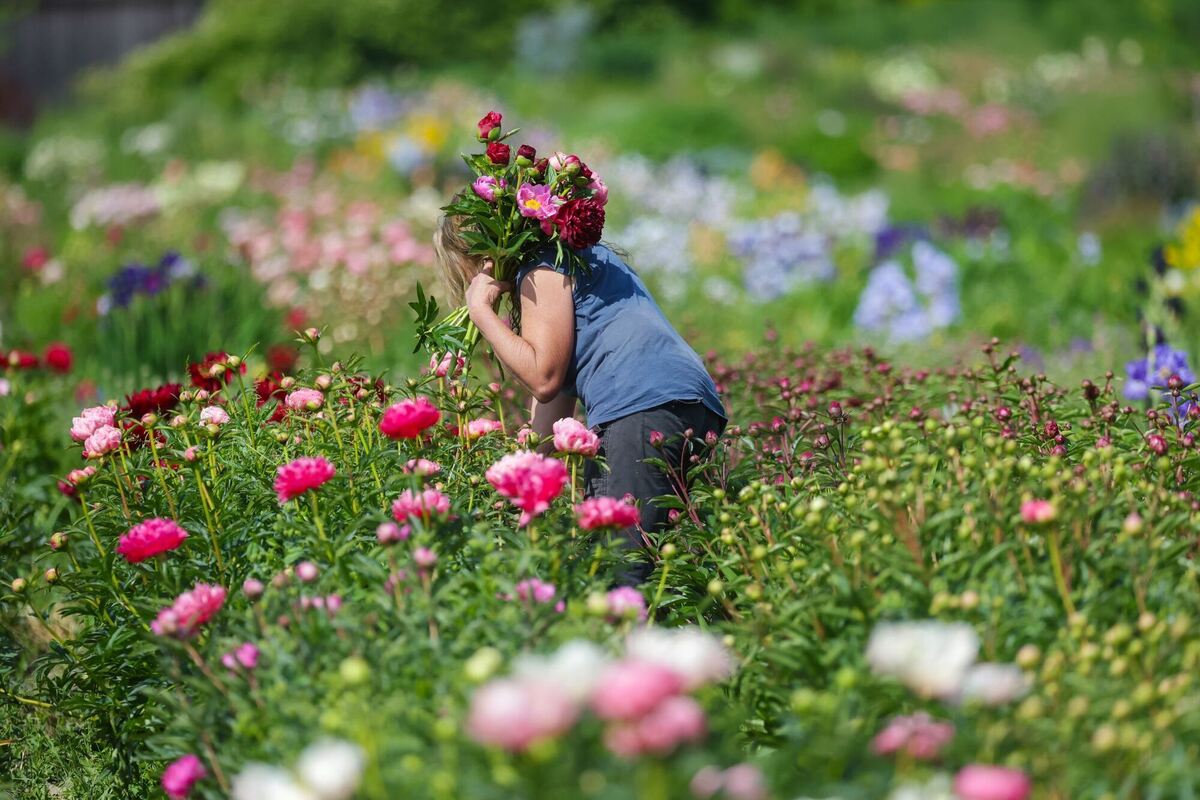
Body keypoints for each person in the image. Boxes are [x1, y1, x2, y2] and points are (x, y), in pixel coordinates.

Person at [435, 216, 726, 583]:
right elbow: (551, 414)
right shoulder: (578, 257)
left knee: (618, 572)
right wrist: (514, 494)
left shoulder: (542, 268)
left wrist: (480, 312)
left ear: (481, 260)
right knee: (648, 562)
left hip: (638, 406)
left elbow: (543, 378)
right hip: (688, 401)